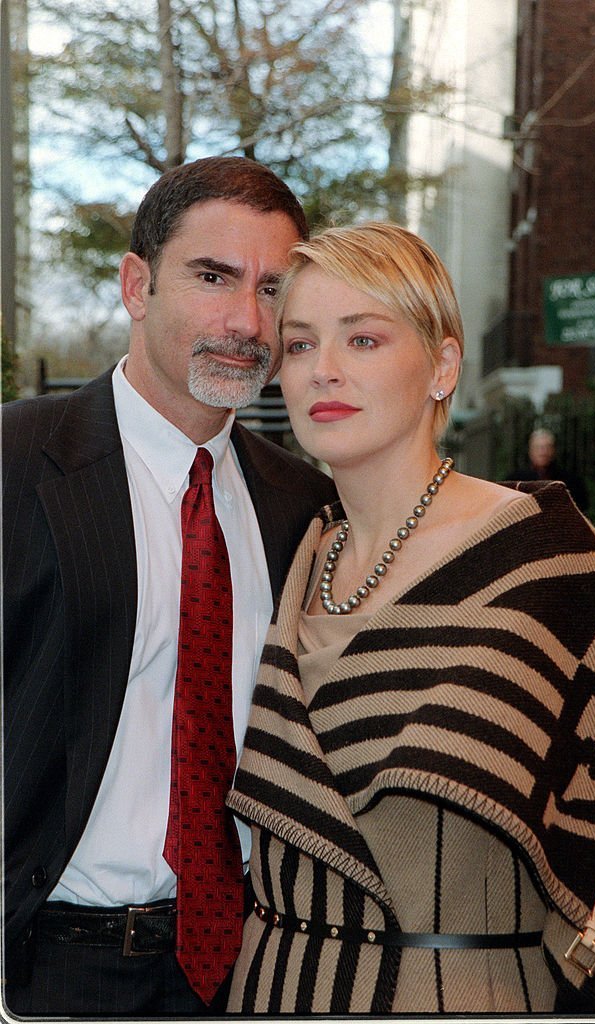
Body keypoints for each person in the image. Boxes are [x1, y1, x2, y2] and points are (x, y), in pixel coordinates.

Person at [225, 222, 595, 1015]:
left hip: (458, 995)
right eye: (298, 346)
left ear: (442, 366)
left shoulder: (540, 554)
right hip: (273, 989)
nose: (322, 370)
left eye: (363, 339)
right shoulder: (298, 554)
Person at [2, 156, 337, 1017]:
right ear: (136, 285)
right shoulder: (13, 465)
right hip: (50, 966)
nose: (244, 320)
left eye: (272, 289)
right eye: (213, 277)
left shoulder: (303, 502)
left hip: (251, 964)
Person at [512, 427, 588, 509]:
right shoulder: (515, 480)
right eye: (538, 447)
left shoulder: (571, 481)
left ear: (554, 450)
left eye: (547, 447)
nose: (543, 452)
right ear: (530, 451)